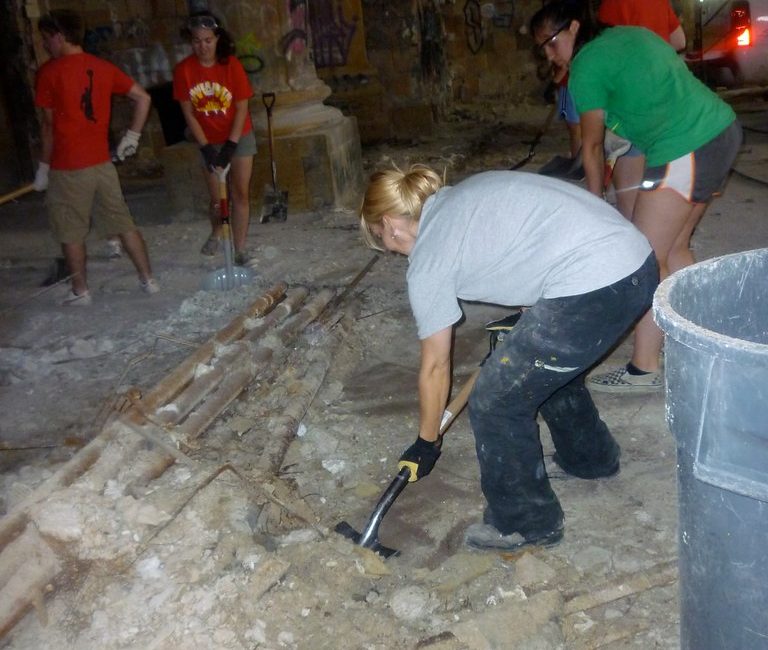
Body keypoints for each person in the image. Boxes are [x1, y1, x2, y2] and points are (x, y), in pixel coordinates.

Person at [359, 164, 658, 551]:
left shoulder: (430, 257)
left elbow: (435, 365)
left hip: (596, 285)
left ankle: (526, 523)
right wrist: (527, 323)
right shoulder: (461, 199)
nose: (391, 250)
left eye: (383, 240)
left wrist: (426, 440)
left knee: (495, 399)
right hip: (636, 262)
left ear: (391, 225)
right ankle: (589, 459)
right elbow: (527, 249)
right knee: (540, 365)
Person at [530, 2, 741, 392]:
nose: (548, 54)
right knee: (675, 249)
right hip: (719, 131)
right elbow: (647, 99)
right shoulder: (627, 36)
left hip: (687, 144)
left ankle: (644, 368)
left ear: (573, 28)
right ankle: (700, 345)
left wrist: (592, 205)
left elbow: (591, 147)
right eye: (542, 48)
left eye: (550, 43)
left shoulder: (587, 66)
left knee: (643, 260)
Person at [33, 9, 159, 306]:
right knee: (123, 223)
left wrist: (43, 167)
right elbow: (144, 97)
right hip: (102, 165)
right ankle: (148, 280)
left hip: (68, 168)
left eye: (46, 39)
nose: (44, 45)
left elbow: (49, 127)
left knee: (70, 230)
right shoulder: (102, 67)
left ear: (59, 36)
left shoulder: (49, 73)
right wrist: (133, 136)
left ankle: (80, 291)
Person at [173, 11, 257, 267]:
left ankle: (239, 248)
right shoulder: (184, 70)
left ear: (217, 38)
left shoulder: (231, 65)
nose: (203, 46)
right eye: (197, 41)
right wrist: (208, 149)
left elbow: (241, 108)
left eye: (207, 40)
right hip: (208, 137)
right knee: (216, 198)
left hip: (238, 134)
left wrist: (230, 146)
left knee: (239, 193)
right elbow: (189, 114)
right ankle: (218, 230)